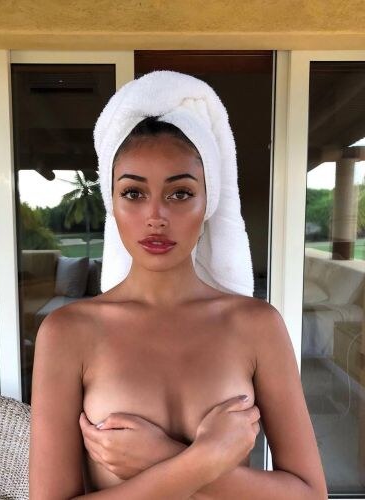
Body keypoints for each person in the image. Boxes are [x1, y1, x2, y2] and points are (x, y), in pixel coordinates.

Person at [29, 71, 328, 499]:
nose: (156, 217)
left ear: (209, 201)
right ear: (112, 202)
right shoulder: (67, 332)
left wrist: (160, 459)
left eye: (180, 193)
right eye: (133, 193)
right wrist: (202, 460)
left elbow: (311, 495)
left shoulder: (256, 325)